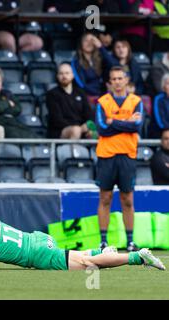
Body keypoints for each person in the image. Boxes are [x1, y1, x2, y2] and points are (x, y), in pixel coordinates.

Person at [0, 207, 166, 271]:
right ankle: (100, 251)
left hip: (38, 256)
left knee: (88, 266)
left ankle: (137, 257)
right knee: (81, 257)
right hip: (39, 239)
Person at [95, 66, 144, 252]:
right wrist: (126, 123)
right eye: (113, 79)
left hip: (127, 155)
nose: (117, 82)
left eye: (119, 78)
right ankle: (103, 241)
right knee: (105, 198)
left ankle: (130, 241)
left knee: (128, 199)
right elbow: (101, 128)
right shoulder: (103, 102)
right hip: (106, 155)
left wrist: (113, 122)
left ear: (126, 80)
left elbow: (137, 126)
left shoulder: (135, 101)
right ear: (109, 82)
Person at [0, 66, 38, 138]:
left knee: (32, 134)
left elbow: (18, 109)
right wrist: (8, 103)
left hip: (11, 122)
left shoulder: (6, 93)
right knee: (21, 135)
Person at [46, 63, 95, 139]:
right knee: (76, 130)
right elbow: (57, 119)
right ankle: (73, 151)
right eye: (61, 74)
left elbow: (88, 114)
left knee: (94, 133)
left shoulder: (80, 93)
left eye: (67, 73)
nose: (64, 76)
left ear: (72, 75)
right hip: (60, 131)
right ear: (57, 76)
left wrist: (87, 126)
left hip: (80, 128)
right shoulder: (52, 94)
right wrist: (79, 128)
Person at [149, 74, 169, 138]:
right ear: (163, 87)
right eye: (168, 84)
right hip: (161, 132)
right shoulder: (158, 99)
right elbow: (160, 121)